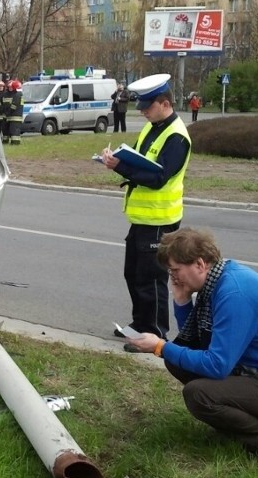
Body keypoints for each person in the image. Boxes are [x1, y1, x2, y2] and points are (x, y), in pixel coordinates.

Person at [125, 228, 258, 460]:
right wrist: (182, 301)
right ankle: (240, 425)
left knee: (199, 394)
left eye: (176, 270)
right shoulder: (218, 280)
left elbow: (217, 365)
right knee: (177, 361)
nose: (173, 277)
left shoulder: (233, 293)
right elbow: (199, 343)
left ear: (199, 264)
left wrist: (160, 347)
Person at [100, 74, 190, 348]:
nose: (142, 111)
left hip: (161, 220)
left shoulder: (177, 137)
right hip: (142, 218)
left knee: (152, 280)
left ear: (164, 103)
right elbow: (139, 160)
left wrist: (121, 167)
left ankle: (155, 334)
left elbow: (158, 178)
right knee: (134, 274)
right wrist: (117, 158)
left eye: (147, 106)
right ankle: (139, 325)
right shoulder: (154, 128)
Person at [6, 79, 24, 145]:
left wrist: (8, 112)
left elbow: (14, 106)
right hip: (18, 116)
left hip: (15, 116)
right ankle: (15, 142)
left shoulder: (17, 95)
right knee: (16, 130)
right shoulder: (20, 94)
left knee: (14, 131)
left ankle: (15, 143)